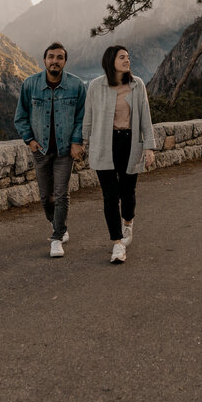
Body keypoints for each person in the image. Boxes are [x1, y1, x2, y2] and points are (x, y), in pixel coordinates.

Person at [82, 45, 156, 264]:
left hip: (130, 142)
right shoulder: (95, 86)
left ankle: (128, 222)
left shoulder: (137, 85)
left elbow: (145, 116)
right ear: (110, 60)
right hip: (104, 143)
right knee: (110, 195)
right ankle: (117, 243)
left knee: (128, 190)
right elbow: (88, 116)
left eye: (128, 57)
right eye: (122, 57)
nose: (127, 60)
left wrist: (149, 146)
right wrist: (81, 142)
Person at [14, 42, 86, 258]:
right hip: (41, 150)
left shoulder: (76, 86)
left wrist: (76, 141)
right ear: (44, 60)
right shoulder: (30, 85)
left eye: (60, 57)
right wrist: (30, 141)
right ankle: (57, 224)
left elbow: (82, 116)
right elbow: (20, 116)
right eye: (51, 57)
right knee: (46, 197)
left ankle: (57, 237)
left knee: (61, 194)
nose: (55, 61)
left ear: (65, 61)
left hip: (65, 151)